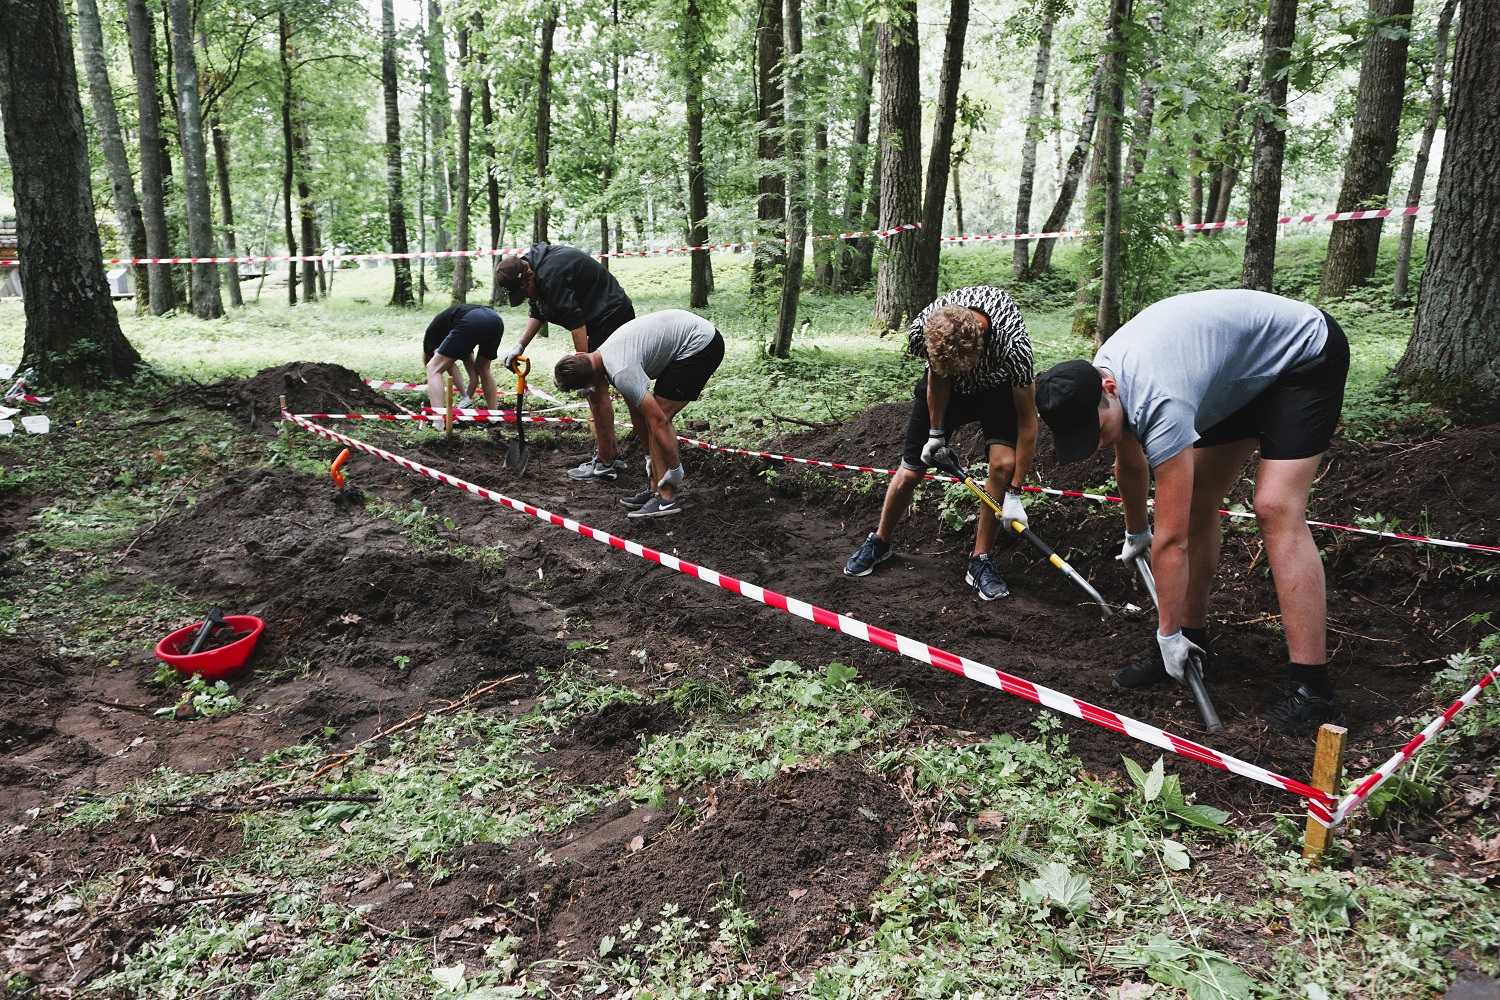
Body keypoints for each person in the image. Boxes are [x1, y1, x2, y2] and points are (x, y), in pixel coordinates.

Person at [1034, 289, 1350, 735]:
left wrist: (1164, 634)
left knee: (1275, 507)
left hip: (1301, 356)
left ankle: (1314, 692)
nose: (1096, 440)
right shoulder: (1105, 377)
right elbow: (1128, 461)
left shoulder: (1160, 401)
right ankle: (1193, 641)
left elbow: (1173, 540)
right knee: (1199, 498)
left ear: (1109, 389)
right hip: (1237, 370)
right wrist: (1135, 531)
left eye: (1096, 428)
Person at [842, 286, 1038, 600]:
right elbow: (938, 376)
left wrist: (1015, 493)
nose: (968, 370)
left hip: (997, 389)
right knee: (910, 472)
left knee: (1002, 465)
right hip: (947, 387)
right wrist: (936, 435)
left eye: (969, 363)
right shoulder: (924, 331)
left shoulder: (1013, 346)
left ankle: (980, 560)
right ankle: (880, 542)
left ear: (982, 339)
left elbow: (1029, 421)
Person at [552, 309, 724, 518]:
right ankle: (655, 486)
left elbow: (658, 421)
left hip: (700, 344)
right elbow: (637, 413)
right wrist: (649, 457)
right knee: (651, 417)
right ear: (581, 354)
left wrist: (674, 467)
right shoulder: (604, 354)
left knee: (659, 415)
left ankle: (666, 497)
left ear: (589, 384)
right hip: (689, 335)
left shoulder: (620, 371)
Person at [493, 243, 635, 480]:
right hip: (597, 316)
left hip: (609, 315)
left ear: (529, 276)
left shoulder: (551, 275)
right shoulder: (531, 266)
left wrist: (584, 374)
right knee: (596, 391)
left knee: (595, 390)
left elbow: (577, 325)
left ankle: (606, 462)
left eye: (524, 290)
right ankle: (611, 455)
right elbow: (538, 310)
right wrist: (520, 345)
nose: (526, 295)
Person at [423, 303, 503, 411]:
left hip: (470, 320)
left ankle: (438, 422)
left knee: (433, 368)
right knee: (483, 368)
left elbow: (449, 366)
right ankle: (495, 418)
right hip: (495, 319)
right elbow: (473, 375)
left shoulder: (431, 342)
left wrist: (464, 396)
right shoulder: (460, 337)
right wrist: (466, 399)